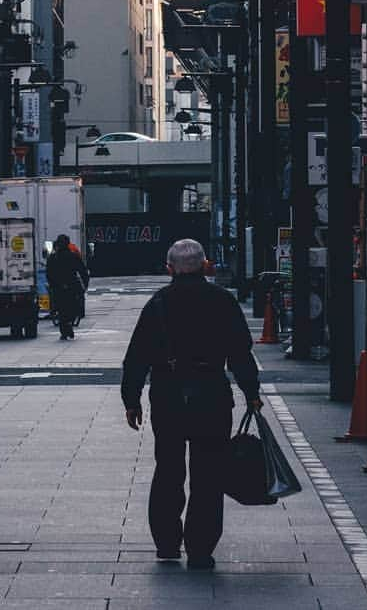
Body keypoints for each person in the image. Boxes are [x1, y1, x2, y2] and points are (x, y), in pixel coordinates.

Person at [121, 238, 261, 571]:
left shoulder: (157, 304)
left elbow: (137, 355)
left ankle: (167, 543)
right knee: (208, 472)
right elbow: (241, 353)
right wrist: (251, 392)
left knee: (168, 468)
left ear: (169, 268)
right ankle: (200, 548)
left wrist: (132, 399)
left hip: (168, 394)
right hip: (212, 393)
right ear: (206, 265)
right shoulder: (223, 302)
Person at [45, 233, 89, 340]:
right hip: (72, 285)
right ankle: (68, 326)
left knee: (61, 310)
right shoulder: (73, 256)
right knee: (74, 307)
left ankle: (65, 330)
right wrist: (85, 285)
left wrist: (52, 284)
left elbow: (48, 274)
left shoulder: (53, 257)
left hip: (58, 287)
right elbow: (83, 271)